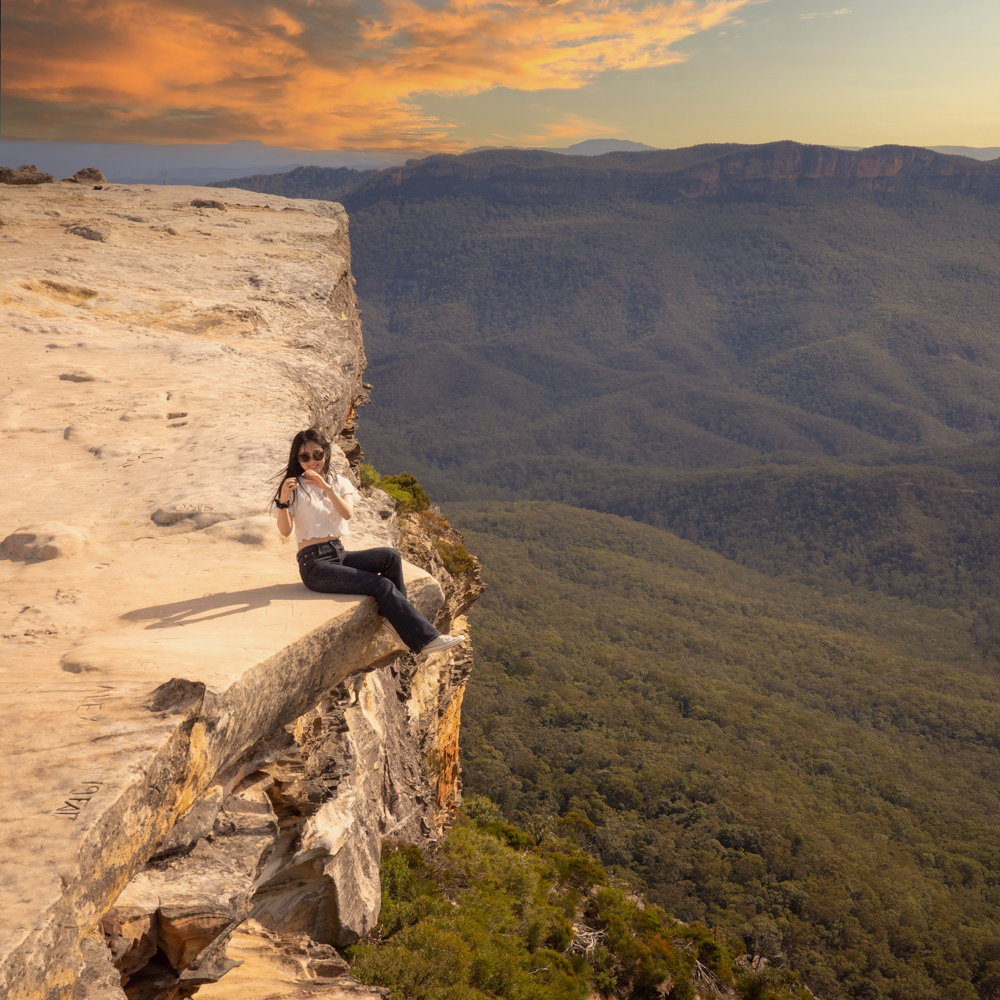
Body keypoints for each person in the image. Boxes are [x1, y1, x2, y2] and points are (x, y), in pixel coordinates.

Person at [273, 429, 465, 655]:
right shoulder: (293, 487)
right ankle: (424, 640)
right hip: (314, 565)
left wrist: (327, 489)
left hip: (338, 554)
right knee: (381, 585)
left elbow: (346, 513)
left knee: (390, 556)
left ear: (326, 454)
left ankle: (395, 623)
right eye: (304, 457)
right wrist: (284, 501)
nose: (312, 461)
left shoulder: (339, 482)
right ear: (297, 459)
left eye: (317, 455)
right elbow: (285, 531)